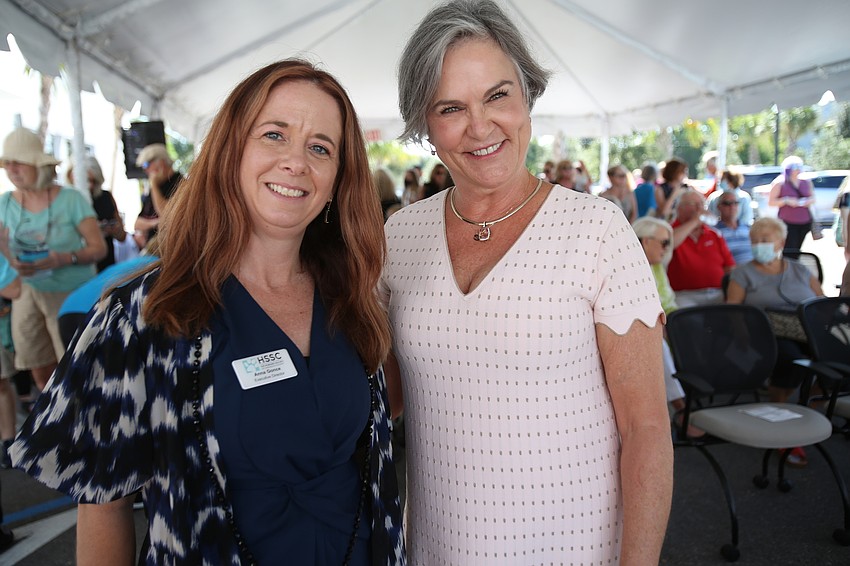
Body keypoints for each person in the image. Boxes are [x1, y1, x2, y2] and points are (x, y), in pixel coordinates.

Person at [12, 59, 405, 565]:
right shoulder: (144, 314)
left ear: (337, 179)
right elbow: (104, 505)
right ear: (230, 150)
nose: (296, 161)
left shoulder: (352, 300)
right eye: (274, 135)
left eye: (320, 148)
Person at [387, 1, 673, 563]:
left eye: (498, 95)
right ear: (426, 124)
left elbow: (645, 429)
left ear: (527, 96)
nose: (480, 126)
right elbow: (384, 398)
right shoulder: (400, 234)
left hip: (571, 546)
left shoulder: (597, 229)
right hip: (437, 543)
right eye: (451, 107)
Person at [0, 128, 106, 391]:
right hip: (26, 292)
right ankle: (52, 410)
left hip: (70, 294)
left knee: (78, 369)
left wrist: (63, 258)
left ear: (38, 164)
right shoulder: (4, 204)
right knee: (38, 365)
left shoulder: (70, 199)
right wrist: (9, 257)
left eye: (18, 162)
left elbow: (99, 249)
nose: (11, 169)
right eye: (7, 163)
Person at [726, 217, 824, 467]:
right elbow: (733, 312)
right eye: (754, 241)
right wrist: (743, 340)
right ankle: (779, 414)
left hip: (807, 330)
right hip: (767, 334)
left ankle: (806, 407)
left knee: (836, 359)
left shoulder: (800, 270)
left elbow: (821, 303)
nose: (758, 245)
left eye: (765, 240)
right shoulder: (742, 273)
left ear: (780, 242)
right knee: (791, 359)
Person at [632, 217, 704, 438]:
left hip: (671, 321)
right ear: (645, 241)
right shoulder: (629, 269)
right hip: (645, 327)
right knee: (657, 344)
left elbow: (669, 303)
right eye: (664, 242)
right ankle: (680, 408)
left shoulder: (656, 267)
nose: (667, 248)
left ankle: (703, 395)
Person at [667, 189, 735, 307]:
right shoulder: (669, 231)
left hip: (717, 292)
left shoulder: (714, 234)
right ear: (679, 208)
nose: (699, 209)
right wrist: (695, 221)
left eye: (701, 204)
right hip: (684, 295)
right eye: (693, 204)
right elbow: (669, 243)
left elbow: (729, 266)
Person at [67, 156, 129, 272]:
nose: (90, 185)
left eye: (93, 181)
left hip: (106, 264)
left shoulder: (105, 197)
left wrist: (114, 230)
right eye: (86, 180)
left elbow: (122, 236)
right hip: (78, 265)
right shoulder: (67, 201)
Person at [133, 143, 183, 250]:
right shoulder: (154, 189)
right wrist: (155, 223)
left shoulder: (181, 184)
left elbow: (165, 214)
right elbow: (137, 224)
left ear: (161, 163)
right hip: (154, 247)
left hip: (172, 246)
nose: (145, 170)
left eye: (146, 165)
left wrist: (154, 186)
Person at [768, 155, 814, 252]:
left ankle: (794, 261)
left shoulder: (806, 182)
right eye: (794, 167)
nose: (798, 170)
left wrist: (807, 201)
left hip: (805, 221)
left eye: (799, 167)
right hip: (787, 222)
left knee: (797, 248)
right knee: (789, 249)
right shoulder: (779, 183)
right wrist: (786, 200)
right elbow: (771, 202)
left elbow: (813, 198)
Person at [713, 185, 753, 265]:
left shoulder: (748, 229)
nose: (732, 206)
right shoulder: (714, 232)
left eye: (735, 203)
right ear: (719, 207)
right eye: (727, 203)